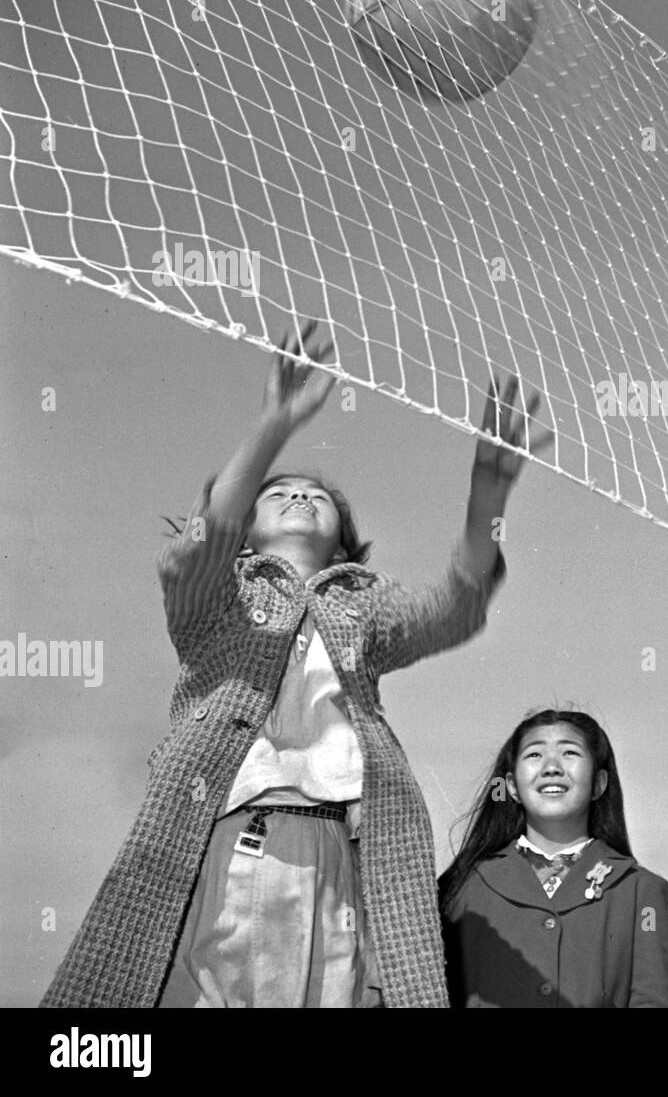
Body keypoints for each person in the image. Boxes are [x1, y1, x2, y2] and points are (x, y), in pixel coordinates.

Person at [40, 323, 550, 1007]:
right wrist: (272, 427)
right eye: (279, 493)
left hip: (338, 852)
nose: (302, 496)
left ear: (344, 539)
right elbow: (202, 544)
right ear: (247, 529)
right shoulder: (222, 598)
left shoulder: (365, 608)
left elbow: (455, 609)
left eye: (318, 496)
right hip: (228, 846)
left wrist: (487, 500)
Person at [439, 708, 668, 1006]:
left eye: (569, 753)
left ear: (599, 783)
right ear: (511, 786)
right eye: (534, 755)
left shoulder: (643, 894)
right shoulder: (464, 888)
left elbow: (652, 999)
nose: (551, 767)